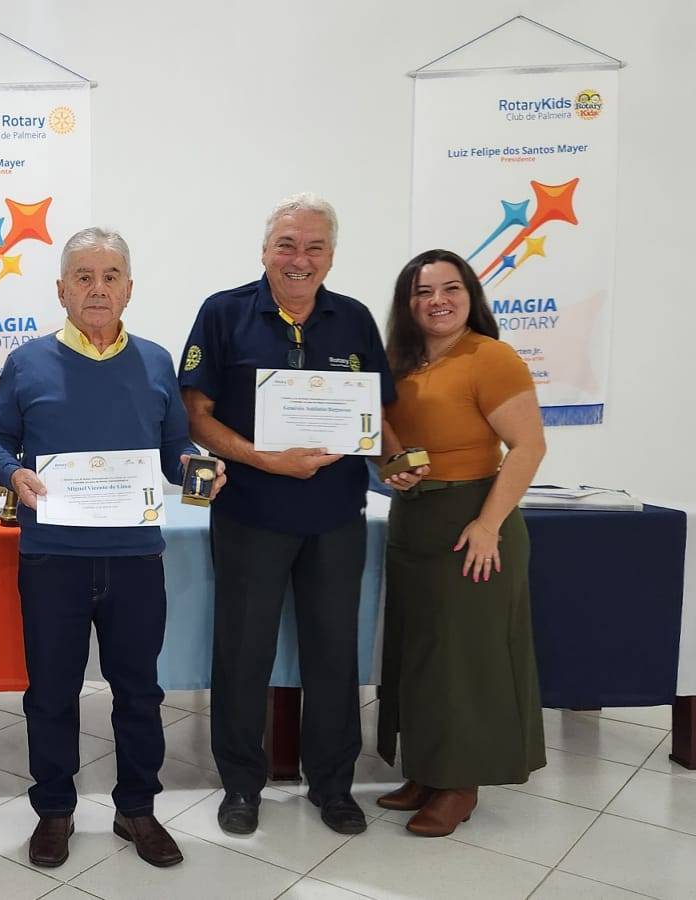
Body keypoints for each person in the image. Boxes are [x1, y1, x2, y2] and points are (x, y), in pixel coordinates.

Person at [0, 227, 222, 870]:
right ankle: (54, 811)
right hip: (52, 559)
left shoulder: (154, 360)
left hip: (135, 560)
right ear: (60, 289)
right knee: (51, 693)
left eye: (110, 276)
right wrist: (12, 473)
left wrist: (201, 470)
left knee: (140, 693)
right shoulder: (27, 362)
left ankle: (137, 809)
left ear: (129, 289)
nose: (97, 288)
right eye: (83, 276)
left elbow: (177, 450)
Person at [178, 193, 394, 837]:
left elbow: (376, 416)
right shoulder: (223, 314)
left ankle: (333, 786)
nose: (299, 259)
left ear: (331, 255)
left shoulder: (354, 319)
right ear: (265, 250)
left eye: (314, 247)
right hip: (251, 510)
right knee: (243, 654)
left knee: (334, 653)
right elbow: (195, 415)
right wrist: (263, 460)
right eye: (287, 245)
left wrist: (399, 458)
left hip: (335, 515)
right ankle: (241, 785)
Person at [373, 248, 547, 836]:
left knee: (465, 659)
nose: (438, 300)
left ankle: (460, 784)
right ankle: (426, 769)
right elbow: (387, 445)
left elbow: (528, 448)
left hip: (474, 522)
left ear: (471, 294)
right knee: (418, 652)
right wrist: (390, 469)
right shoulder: (399, 364)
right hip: (414, 521)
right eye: (423, 291)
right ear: (408, 303)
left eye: (451, 288)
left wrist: (488, 524)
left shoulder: (490, 357)